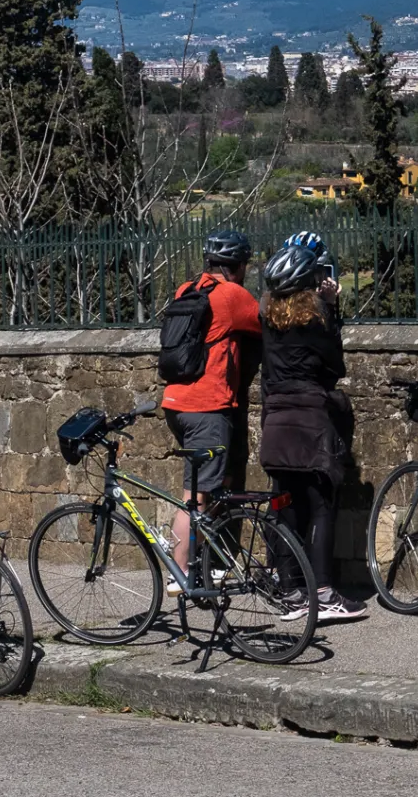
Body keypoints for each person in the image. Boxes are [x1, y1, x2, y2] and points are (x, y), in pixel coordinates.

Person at [257, 237, 367, 622]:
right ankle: (322, 593)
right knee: (320, 507)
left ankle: (291, 592)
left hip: (275, 421)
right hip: (308, 421)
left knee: (286, 507)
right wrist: (333, 310)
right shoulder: (314, 322)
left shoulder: (268, 322)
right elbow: (335, 367)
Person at [162, 230, 261, 584]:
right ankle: (180, 574)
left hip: (176, 402)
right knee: (197, 496)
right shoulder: (232, 296)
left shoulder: (186, 290)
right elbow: (268, 324)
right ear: (238, 265)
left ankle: (210, 561)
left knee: (218, 484)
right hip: (207, 406)